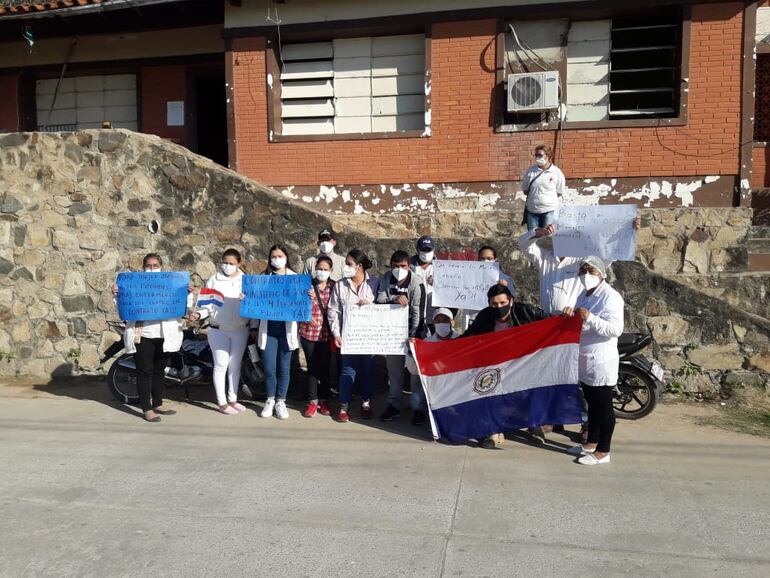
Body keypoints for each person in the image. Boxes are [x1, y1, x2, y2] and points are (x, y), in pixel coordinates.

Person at [464, 284, 548, 449]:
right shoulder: (485, 316)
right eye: (494, 304)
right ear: (489, 304)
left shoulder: (526, 311)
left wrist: (568, 316)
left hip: (523, 361)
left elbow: (551, 321)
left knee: (531, 391)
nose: (499, 307)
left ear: (511, 301)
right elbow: (469, 336)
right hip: (495, 363)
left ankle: (534, 424)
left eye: (503, 303)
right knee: (487, 390)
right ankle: (492, 430)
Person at [563, 256, 624, 465]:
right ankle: (591, 443)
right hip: (584, 358)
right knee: (592, 405)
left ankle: (603, 451)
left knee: (603, 406)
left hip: (601, 359)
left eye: (591, 271)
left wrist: (590, 317)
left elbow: (615, 329)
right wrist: (571, 314)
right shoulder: (584, 294)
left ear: (602, 273)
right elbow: (579, 320)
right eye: (583, 271)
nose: (586, 275)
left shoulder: (611, 297)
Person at [114, 253, 187, 422]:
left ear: (161, 267)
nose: (152, 268)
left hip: (165, 335)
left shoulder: (171, 284)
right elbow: (123, 305)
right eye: (148, 266)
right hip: (144, 333)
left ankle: (158, 403)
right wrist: (117, 294)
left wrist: (185, 294)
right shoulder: (136, 285)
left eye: (155, 265)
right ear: (143, 268)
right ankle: (146, 408)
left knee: (160, 370)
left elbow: (184, 307)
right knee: (144, 371)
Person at [190, 248, 252, 416]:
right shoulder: (214, 280)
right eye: (225, 262)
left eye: (231, 263)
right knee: (221, 364)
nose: (227, 266)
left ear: (239, 263)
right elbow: (206, 305)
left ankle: (233, 398)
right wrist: (199, 314)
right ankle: (222, 402)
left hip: (240, 329)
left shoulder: (246, 281)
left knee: (235, 364)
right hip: (218, 329)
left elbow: (253, 304)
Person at [328, 249, 380, 423]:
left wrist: (371, 305)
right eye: (346, 264)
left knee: (368, 371)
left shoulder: (375, 283)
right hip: (348, 337)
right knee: (347, 372)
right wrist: (336, 333)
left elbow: (384, 306)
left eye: (349, 264)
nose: (346, 267)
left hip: (369, 337)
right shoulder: (340, 285)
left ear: (359, 266)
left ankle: (366, 402)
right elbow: (333, 311)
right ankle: (344, 406)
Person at [376, 250, 427, 423]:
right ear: (391, 266)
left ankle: (418, 408)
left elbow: (418, 311)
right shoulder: (386, 278)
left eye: (403, 266)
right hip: (392, 334)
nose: (399, 269)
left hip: (412, 334)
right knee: (394, 373)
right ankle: (394, 405)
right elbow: (380, 299)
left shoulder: (417, 283)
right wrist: (395, 299)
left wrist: (414, 336)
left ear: (409, 266)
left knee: (414, 374)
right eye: (396, 266)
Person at [256, 243, 301, 420]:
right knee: (269, 367)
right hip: (268, 328)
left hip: (286, 328)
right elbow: (255, 303)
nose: (277, 260)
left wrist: (308, 296)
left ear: (286, 258)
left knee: (284, 367)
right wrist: (247, 299)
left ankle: (281, 400)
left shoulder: (295, 278)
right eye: (274, 257)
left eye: (280, 256)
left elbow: (301, 302)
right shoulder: (263, 278)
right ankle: (270, 399)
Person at [405, 308, 460, 426]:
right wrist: (410, 352)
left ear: (452, 322)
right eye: (438, 320)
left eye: (445, 320)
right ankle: (421, 412)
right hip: (434, 385)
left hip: (455, 385)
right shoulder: (427, 342)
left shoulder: (460, 340)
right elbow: (414, 370)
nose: (442, 323)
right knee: (416, 399)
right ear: (434, 323)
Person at [299, 255, 335, 418]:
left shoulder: (335, 287)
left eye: (325, 269)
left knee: (325, 368)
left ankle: (324, 400)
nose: (321, 272)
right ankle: (313, 401)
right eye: (319, 268)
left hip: (326, 335)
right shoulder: (306, 285)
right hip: (308, 333)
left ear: (331, 270)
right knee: (312, 368)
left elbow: (338, 308)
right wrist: (305, 315)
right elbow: (295, 305)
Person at [461, 245, 518, 331]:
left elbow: (513, 303)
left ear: (495, 259)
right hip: (473, 321)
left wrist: (505, 289)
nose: (485, 261)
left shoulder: (506, 279)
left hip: (496, 323)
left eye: (489, 258)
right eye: (482, 258)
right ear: (478, 260)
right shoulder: (469, 277)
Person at [522, 144, 565, 231]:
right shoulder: (530, 171)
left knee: (547, 239)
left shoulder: (556, 172)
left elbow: (559, 191)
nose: (537, 157)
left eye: (540, 155)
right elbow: (525, 190)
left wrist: (545, 200)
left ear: (548, 156)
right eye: (536, 155)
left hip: (549, 212)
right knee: (532, 238)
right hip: (532, 211)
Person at [409, 235, 435, 325]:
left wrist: (438, 282)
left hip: (433, 310)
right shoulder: (409, 266)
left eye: (429, 250)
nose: (426, 253)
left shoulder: (440, 267)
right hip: (414, 309)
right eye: (424, 250)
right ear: (417, 250)